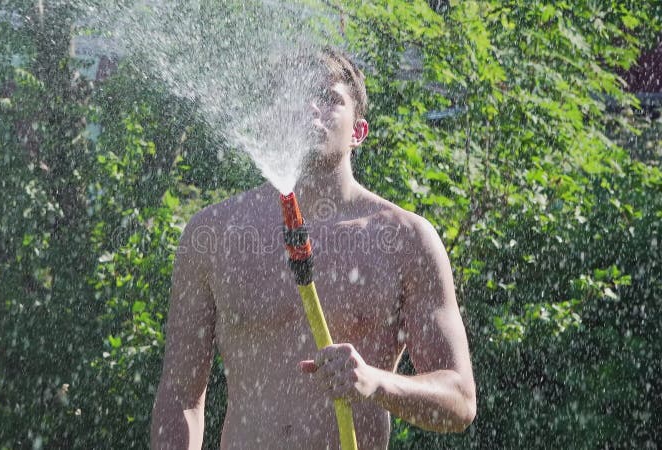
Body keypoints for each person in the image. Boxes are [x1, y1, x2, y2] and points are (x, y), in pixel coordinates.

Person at [151, 47, 476, 449]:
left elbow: (459, 401)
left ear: (358, 131)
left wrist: (375, 382)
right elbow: (180, 394)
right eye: (296, 96)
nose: (310, 108)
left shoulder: (406, 239)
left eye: (328, 98)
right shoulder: (215, 234)